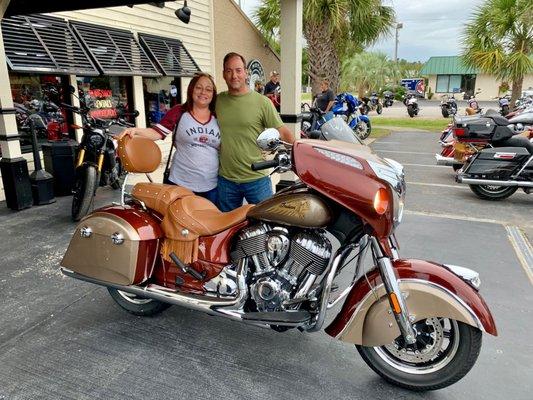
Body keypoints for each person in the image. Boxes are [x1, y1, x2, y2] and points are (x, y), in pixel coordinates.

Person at [118, 73, 219, 204]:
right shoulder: (180, 111)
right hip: (180, 184)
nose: (203, 92)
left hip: (211, 186)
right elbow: (157, 132)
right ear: (191, 89)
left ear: (213, 94)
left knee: (208, 223)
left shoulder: (218, 116)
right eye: (198, 87)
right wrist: (135, 131)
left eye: (208, 89)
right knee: (178, 223)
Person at [216, 52, 294, 212]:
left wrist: (302, 154)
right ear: (224, 74)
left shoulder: (262, 102)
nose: (234, 75)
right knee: (226, 231)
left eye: (238, 70)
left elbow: (283, 133)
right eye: (229, 71)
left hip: (257, 179)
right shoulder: (217, 101)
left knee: (268, 223)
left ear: (246, 72)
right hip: (226, 181)